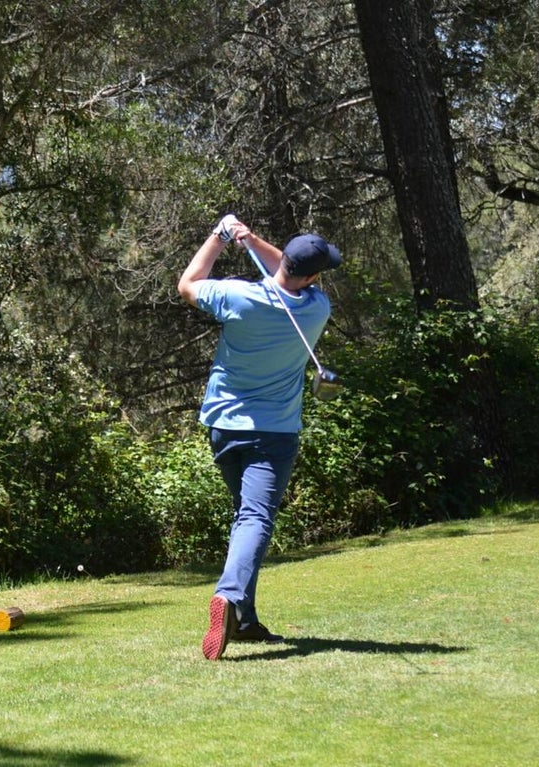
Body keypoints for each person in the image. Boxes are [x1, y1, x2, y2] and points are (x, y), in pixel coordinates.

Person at [177, 214, 342, 660]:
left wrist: (220, 235)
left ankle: (245, 621)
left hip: (223, 427)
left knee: (245, 517)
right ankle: (228, 596)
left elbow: (188, 284)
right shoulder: (316, 308)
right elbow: (290, 274)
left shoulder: (236, 296)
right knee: (254, 519)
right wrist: (253, 241)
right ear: (313, 275)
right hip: (274, 433)